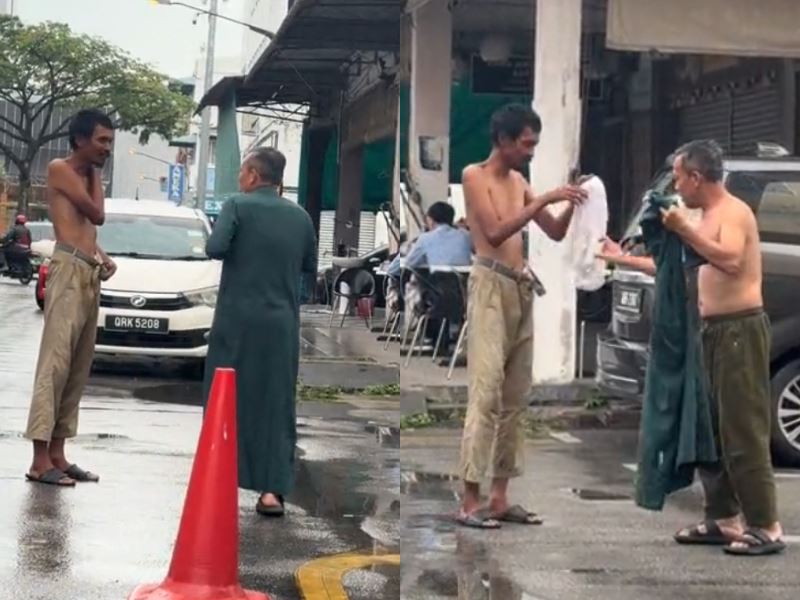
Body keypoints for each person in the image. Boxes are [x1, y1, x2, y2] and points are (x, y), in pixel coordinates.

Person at [599, 140, 784, 556]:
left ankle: (765, 525)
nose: (677, 186)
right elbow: (680, 263)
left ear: (698, 177)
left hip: (739, 330)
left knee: (742, 429)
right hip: (709, 330)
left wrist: (683, 227)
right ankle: (723, 517)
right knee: (709, 428)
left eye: (680, 177)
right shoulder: (704, 216)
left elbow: (732, 260)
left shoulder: (733, 213)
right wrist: (621, 258)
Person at [456, 103, 587, 529]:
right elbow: (494, 232)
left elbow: (554, 230)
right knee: (486, 393)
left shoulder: (519, 180)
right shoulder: (475, 175)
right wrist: (544, 198)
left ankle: (500, 496)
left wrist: (571, 201)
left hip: (519, 285)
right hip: (490, 285)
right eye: (527, 144)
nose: (530, 152)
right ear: (504, 140)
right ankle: (470, 500)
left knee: (515, 397)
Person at [203, 147, 317, 517]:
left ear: (253, 175)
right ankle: (272, 492)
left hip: (236, 322)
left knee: (224, 399)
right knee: (276, 403)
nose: (239, 178)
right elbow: (308, 273)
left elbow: (215, 247)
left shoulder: (237, 205)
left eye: (241, 172)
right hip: (281, 324)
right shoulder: (301, 218)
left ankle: (218, 483)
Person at [25, 108, 117, 487]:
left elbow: (87, 230)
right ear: (79, 139)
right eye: (102, 141)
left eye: (110, 142)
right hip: (66, 271)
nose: (107, 149)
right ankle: (39, 460)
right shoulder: (62, 168)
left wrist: (103, 257)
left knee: (77, 367)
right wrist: (96, 172)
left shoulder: (85, 175)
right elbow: (96, 215)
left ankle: (59, 453)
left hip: (87, 270)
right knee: (55, 365)